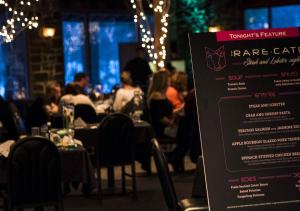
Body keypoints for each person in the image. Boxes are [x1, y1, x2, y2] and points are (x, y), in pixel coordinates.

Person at [147, 71, 175, 138]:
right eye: (168, 77)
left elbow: (163, 112)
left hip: (165, 128)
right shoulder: (156, 96)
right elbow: (159, 117)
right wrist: (173, 124)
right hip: (161, 131)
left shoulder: (161, 94)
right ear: (163, 80)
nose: (170, 79)